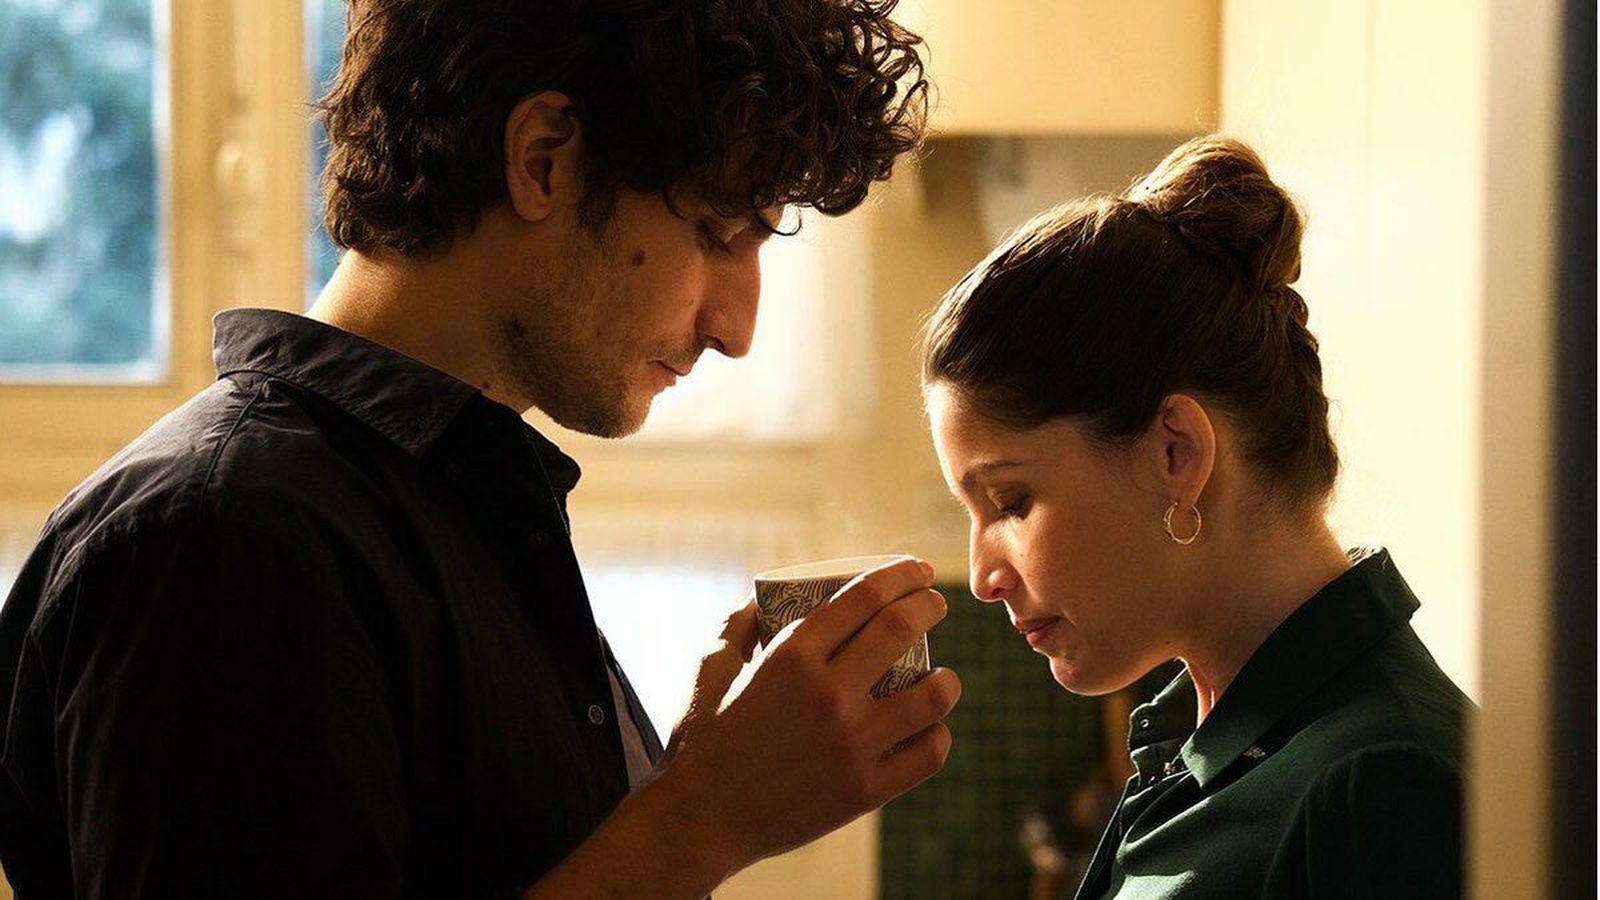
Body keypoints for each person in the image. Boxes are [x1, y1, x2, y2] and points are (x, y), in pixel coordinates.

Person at [0, 1, 963, 897]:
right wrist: (700, 822)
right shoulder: (228, 542)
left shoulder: (449, 506)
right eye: (717, 231)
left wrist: (692, 781)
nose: (737, 327)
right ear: (544, 159)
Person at [920, 135, 1470, 898]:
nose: (982, 576)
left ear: (1176, 454)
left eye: (1011, 503)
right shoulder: (1194, 738)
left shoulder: (1384, 785)